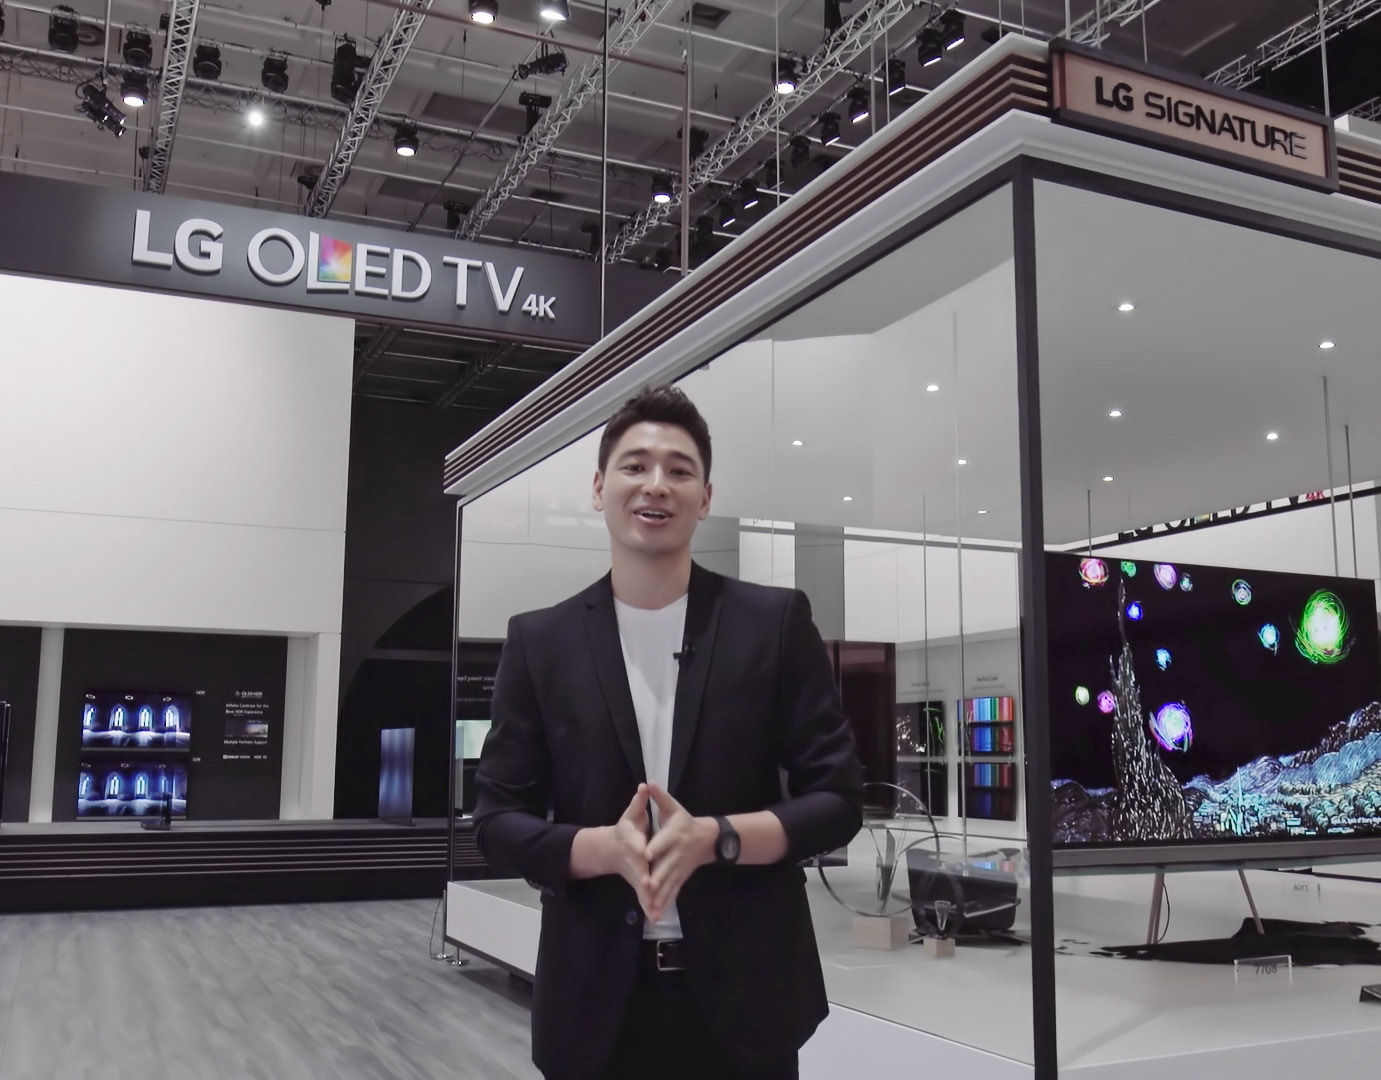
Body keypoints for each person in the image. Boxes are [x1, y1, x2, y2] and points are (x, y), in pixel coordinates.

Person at [472, 384, 865, 1080]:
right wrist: (600, 849)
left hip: (747, 1008)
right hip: (593, 1010)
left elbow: (838, 800)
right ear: (599, 487)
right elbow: (497, 820)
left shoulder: (772, 624)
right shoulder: (540, 641)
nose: (656, 483)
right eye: (635, 465)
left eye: (679, 470)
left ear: (704, 498)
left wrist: (717, 838)